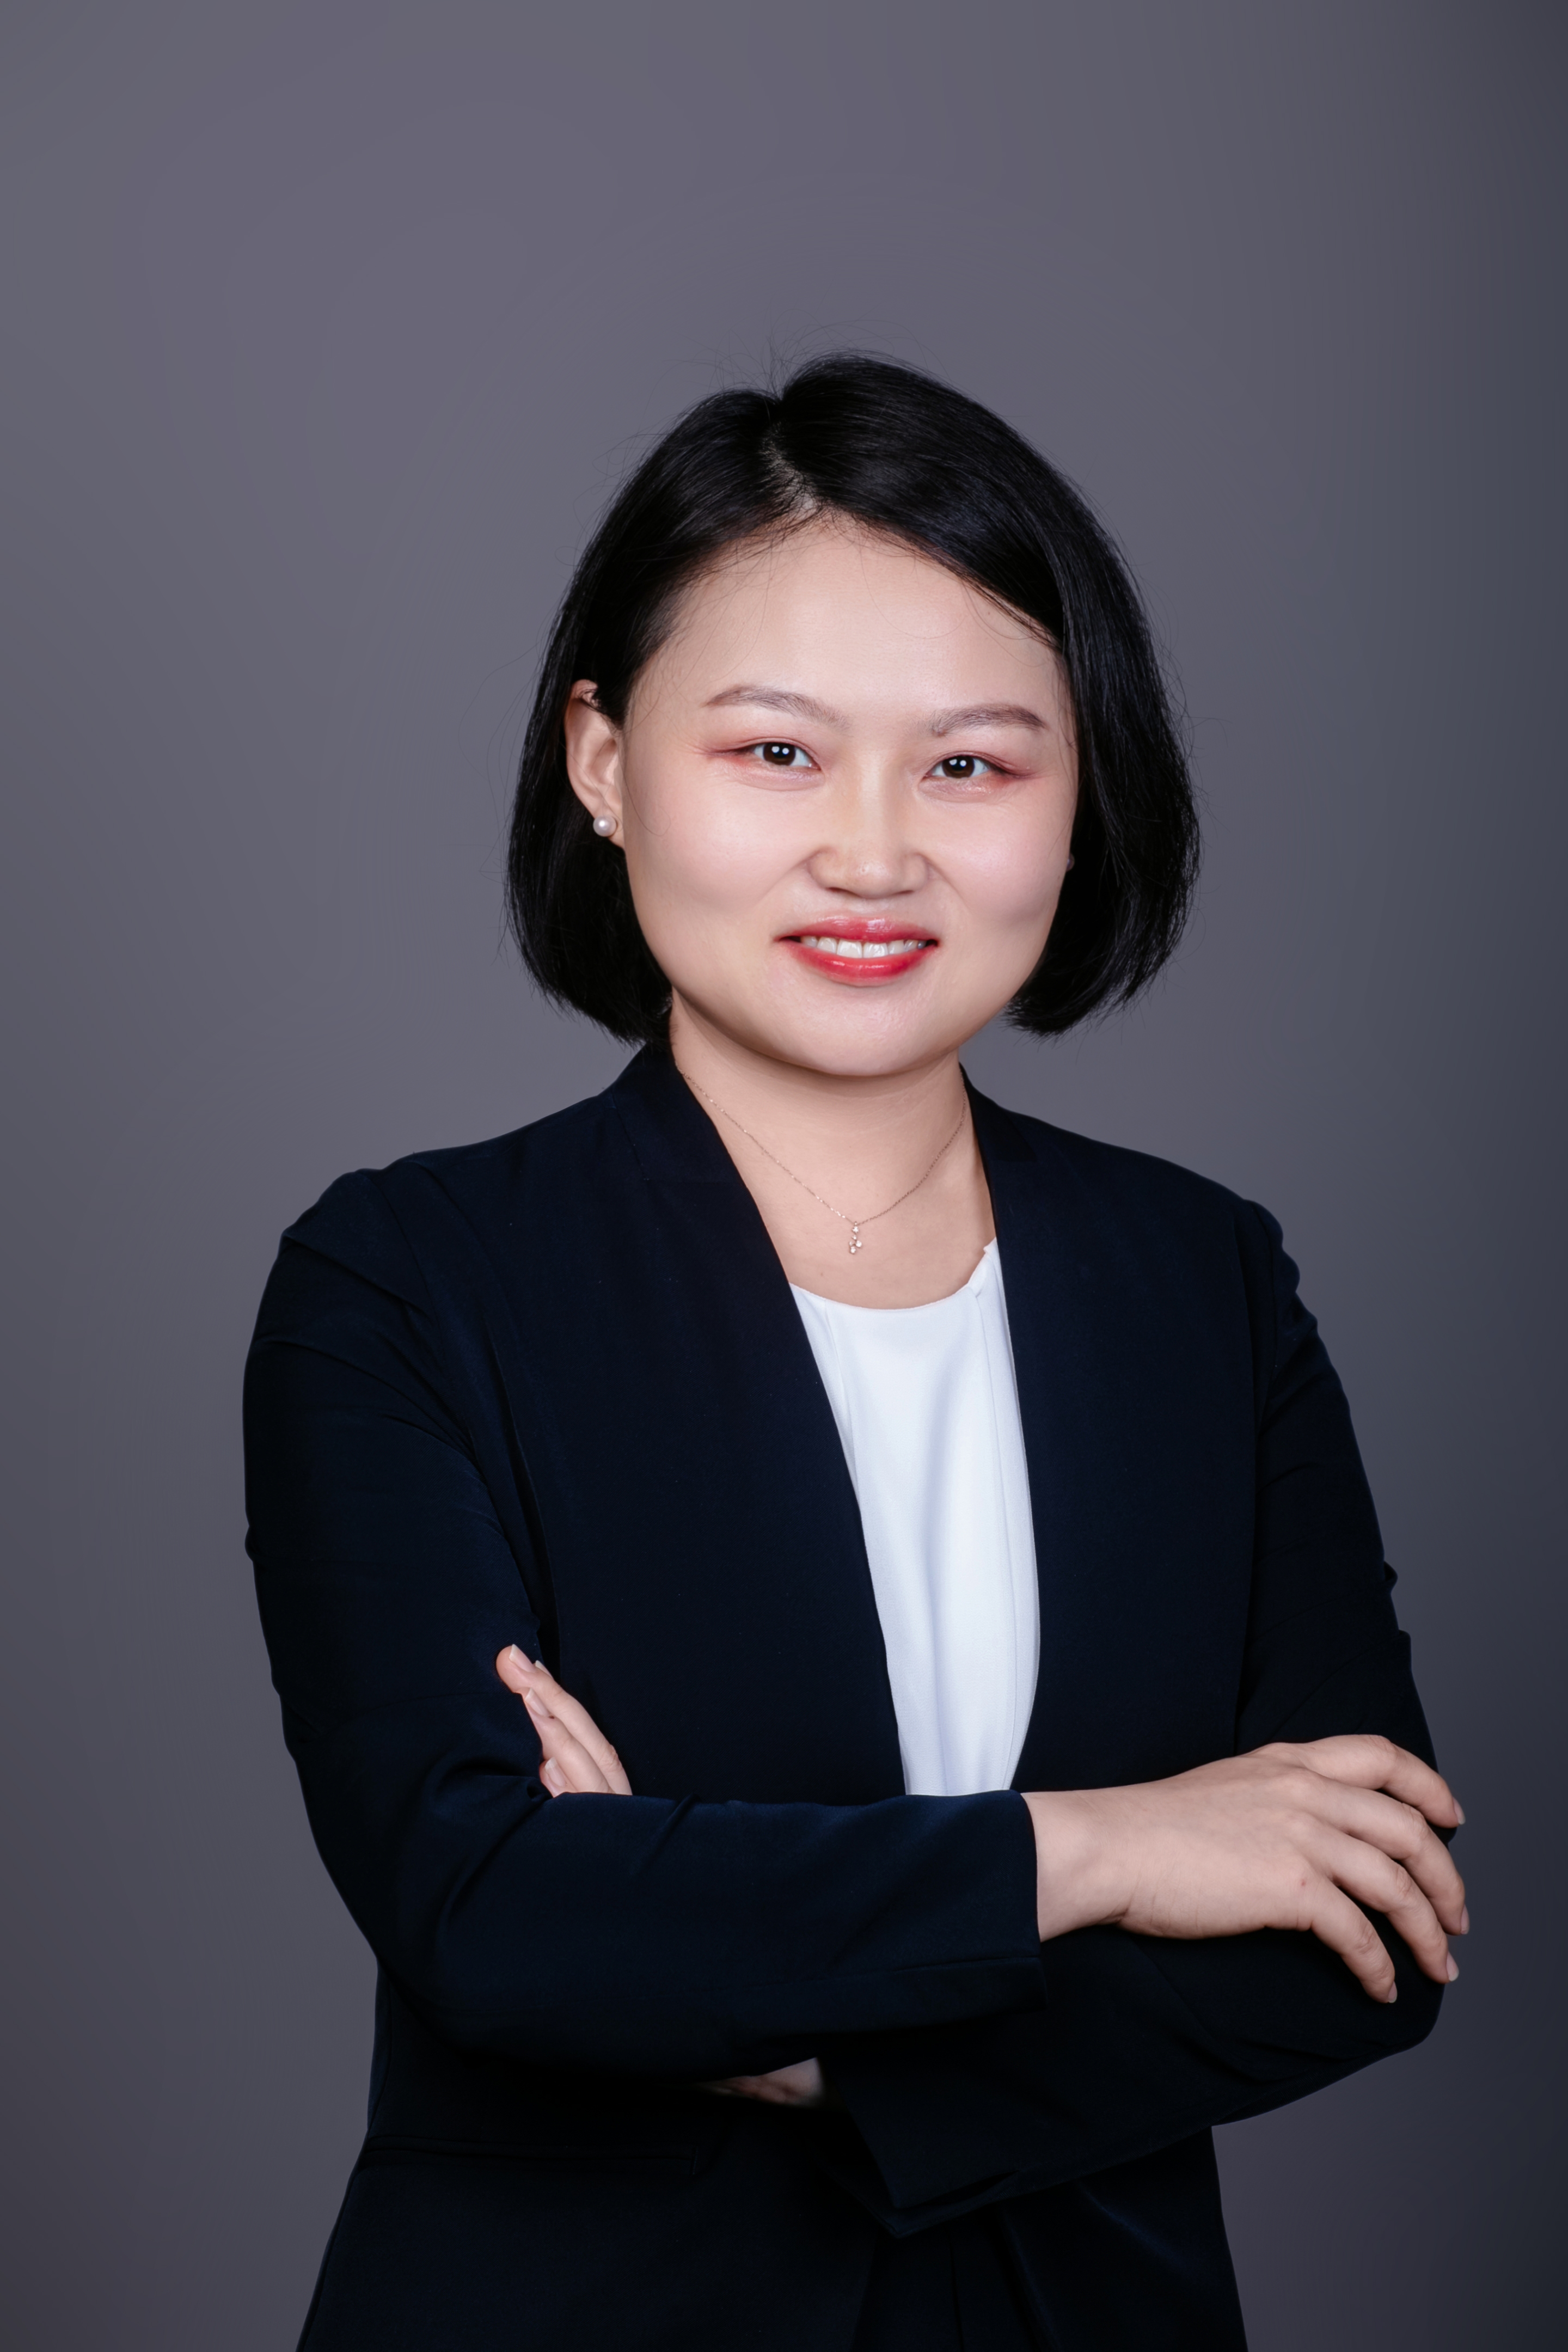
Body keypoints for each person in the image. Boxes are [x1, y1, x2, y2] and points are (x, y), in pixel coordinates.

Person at [243, 355, 1465, 2351]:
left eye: (972, 766)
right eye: (778, 753)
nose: (877, 853)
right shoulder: (411, 1281)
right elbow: (497, 1916)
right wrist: (1111, 1848)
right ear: (605, 761)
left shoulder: (1202, 1281)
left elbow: (1365, 1924)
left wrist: (783, 2005)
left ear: (1083, 795)